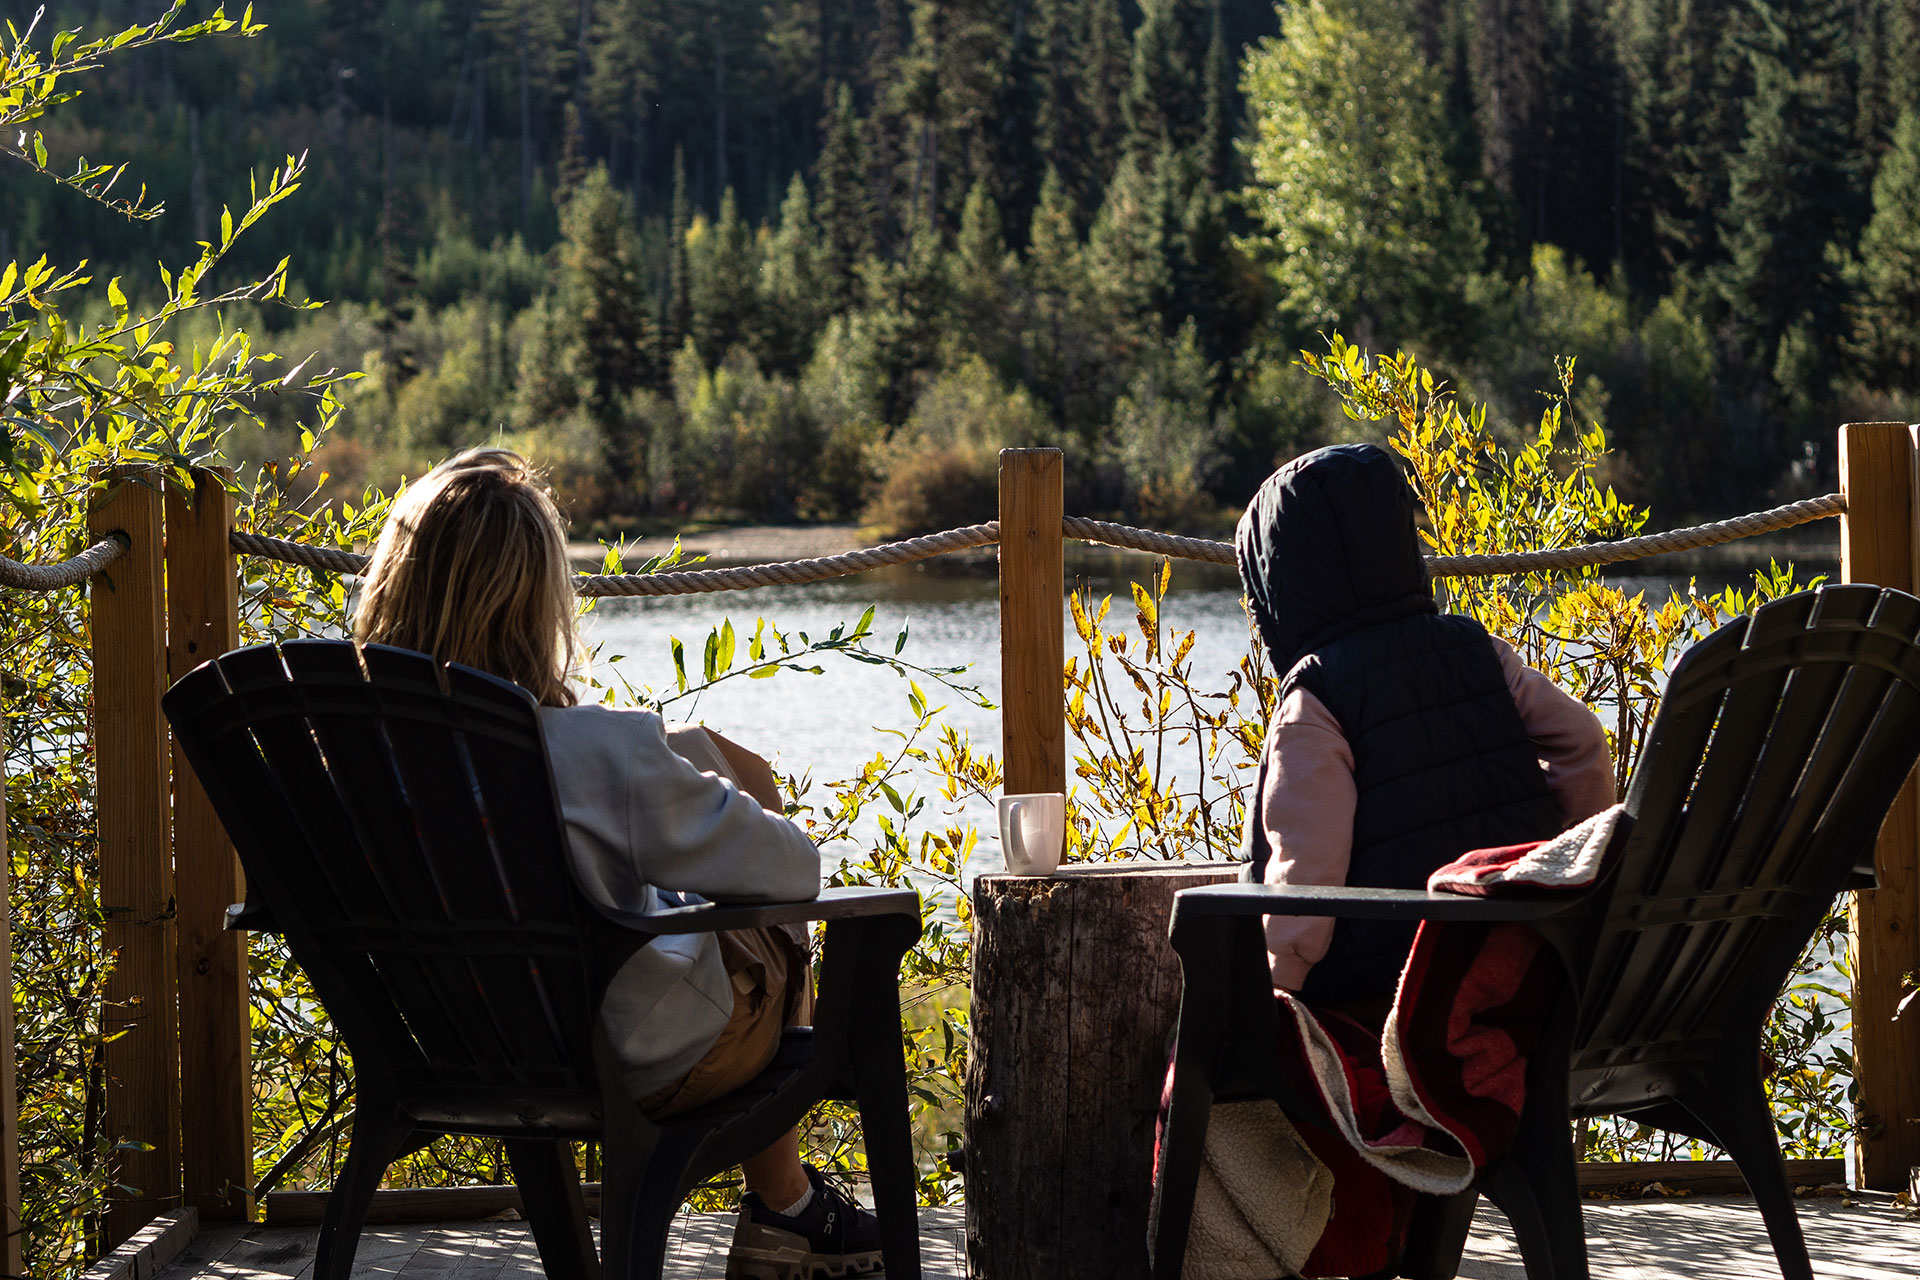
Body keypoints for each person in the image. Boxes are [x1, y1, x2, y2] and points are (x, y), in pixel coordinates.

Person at [353, 448, 882, 1280]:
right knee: (770, 927)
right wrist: (708, 775)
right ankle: (789, 1211)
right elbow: (793, 874)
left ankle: (790, 1211)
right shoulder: (596, 754)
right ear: (538, 604)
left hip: (445, 1043)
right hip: (636, 1061)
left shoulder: (343, 762)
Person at [1236, 443, 1616, 1012]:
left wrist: (1280, 980)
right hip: (1513, 960)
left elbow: (1307, 869)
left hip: (1386, 990)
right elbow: (1583, 741)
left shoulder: (1316, 697)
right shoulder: (1477, 650)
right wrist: (1558, 870)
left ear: (1274, 586)